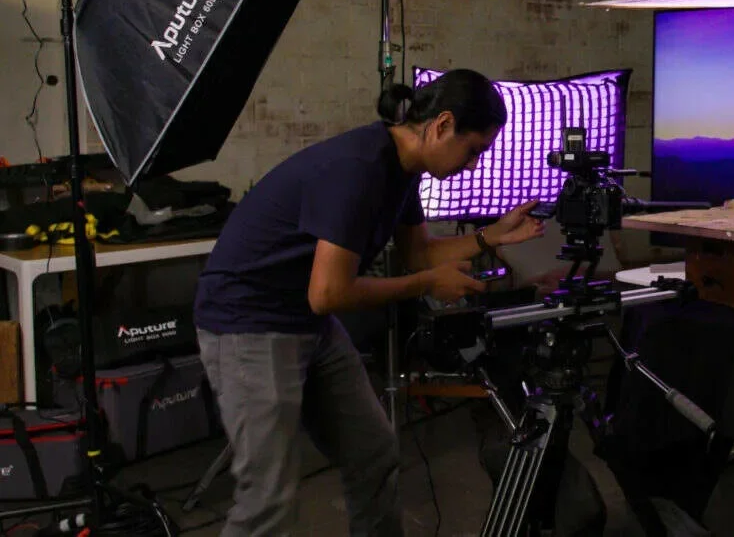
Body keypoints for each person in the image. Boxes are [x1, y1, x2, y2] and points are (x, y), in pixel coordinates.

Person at [194, 69, 544, 537]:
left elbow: (418, 254)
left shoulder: (403, 172)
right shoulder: (359, 169)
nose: (474, 165)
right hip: (247, 320)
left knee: (373, 452)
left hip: (303, 320)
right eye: (474, 150)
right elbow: (330, 294)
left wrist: (489, 236)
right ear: (442, 125)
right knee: (267, 497)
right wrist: (425, 284)